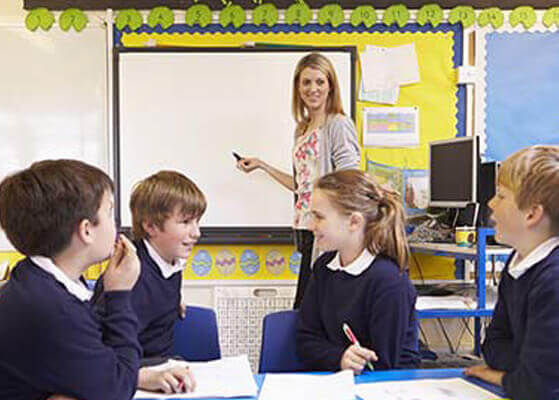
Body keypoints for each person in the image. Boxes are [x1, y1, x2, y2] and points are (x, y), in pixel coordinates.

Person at [0, 160, 195, 400]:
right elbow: (116, 391)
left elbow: (99, 364)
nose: (116, 224)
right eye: (110, 212)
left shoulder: (33, 279)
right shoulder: (53, 309)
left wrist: (134, 376)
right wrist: (119, 294)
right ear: (86, 230)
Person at [237, 52, 360, 308]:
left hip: (327, 229)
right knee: (307, 305)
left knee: (314, 306)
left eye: (319, 82)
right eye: (306, 82)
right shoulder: (302, 129)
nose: (312, 89)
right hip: (305, 226)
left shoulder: (337, 124)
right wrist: (262, 165)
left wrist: (331, 218)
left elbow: (350, 179)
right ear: (297, 87)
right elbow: (300, 185)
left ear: (331, 86)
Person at [296, 169, 420, 373]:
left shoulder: (389, 281)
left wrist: (347, 361)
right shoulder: (324, 267)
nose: (310, 226)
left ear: (354, 222)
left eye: (318, 217)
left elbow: (383, 365)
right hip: (336, 382)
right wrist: (340, 358)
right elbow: (305, 339)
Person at [465, 145, 559, 400]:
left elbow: (539, 387)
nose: (491, 203)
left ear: (532, 214)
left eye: (501, 196)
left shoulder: (553, 279)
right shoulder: (518, 264)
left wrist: (500, 377)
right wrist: (524, 364)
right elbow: (493, 345)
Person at [93, 170, 206, 363]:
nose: (197, 233)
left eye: (197, 221)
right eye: (186, 222)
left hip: (163, 365)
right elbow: (102, 350)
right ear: (151, 226)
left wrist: (173, 300)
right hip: (136, 375)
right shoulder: (130, 273)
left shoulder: (170, 262)